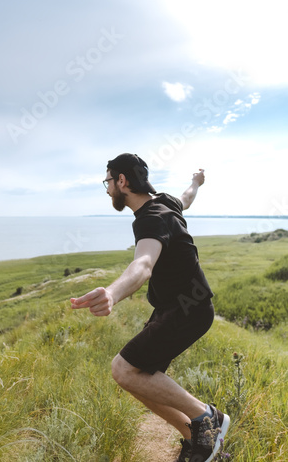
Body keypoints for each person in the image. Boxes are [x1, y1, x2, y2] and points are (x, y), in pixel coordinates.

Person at [71, 153, 230, 462]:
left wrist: (112, 294)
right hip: (180, 308)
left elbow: (143, 264)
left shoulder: (150, 217)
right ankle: (198, 441)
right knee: (141, 379)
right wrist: (196, 182)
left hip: (188, 309)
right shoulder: (167, 202)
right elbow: (187, 198)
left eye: (108, 181)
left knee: (123, 369)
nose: (106, 190)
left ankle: (208, 418)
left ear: (122, 181)